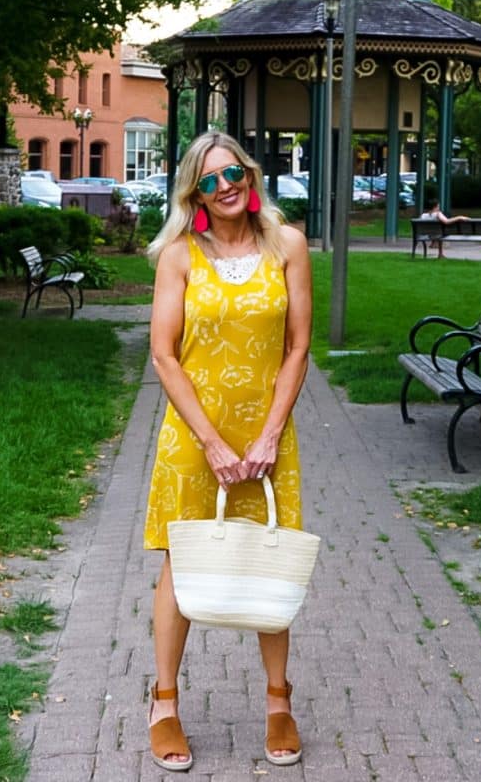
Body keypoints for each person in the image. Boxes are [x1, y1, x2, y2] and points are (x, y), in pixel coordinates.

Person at [143, 131, 312, 772]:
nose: (225, 186)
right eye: (209, 180)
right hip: (194, 436)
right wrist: (211, 441)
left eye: (233, 172)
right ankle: (163, 703)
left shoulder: (288, 245)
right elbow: (163, 353)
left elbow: (297, 347)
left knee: (270, 559)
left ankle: (278, 701)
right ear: (195, 192)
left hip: (268, 433)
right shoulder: (181, 256)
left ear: (250, 172)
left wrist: (269, 434)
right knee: (179, 565)